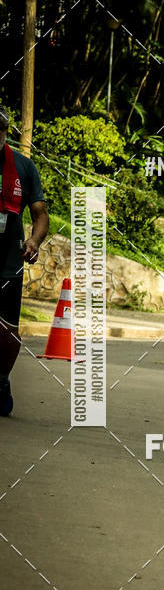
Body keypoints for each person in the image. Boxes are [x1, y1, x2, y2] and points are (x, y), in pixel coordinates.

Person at [0, 108, 49, 415]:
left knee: (7, 332)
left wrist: (34, 240)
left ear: (5, 132)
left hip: (8, 260)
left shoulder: (23, 166)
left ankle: (1, 380)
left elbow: (40, 214)